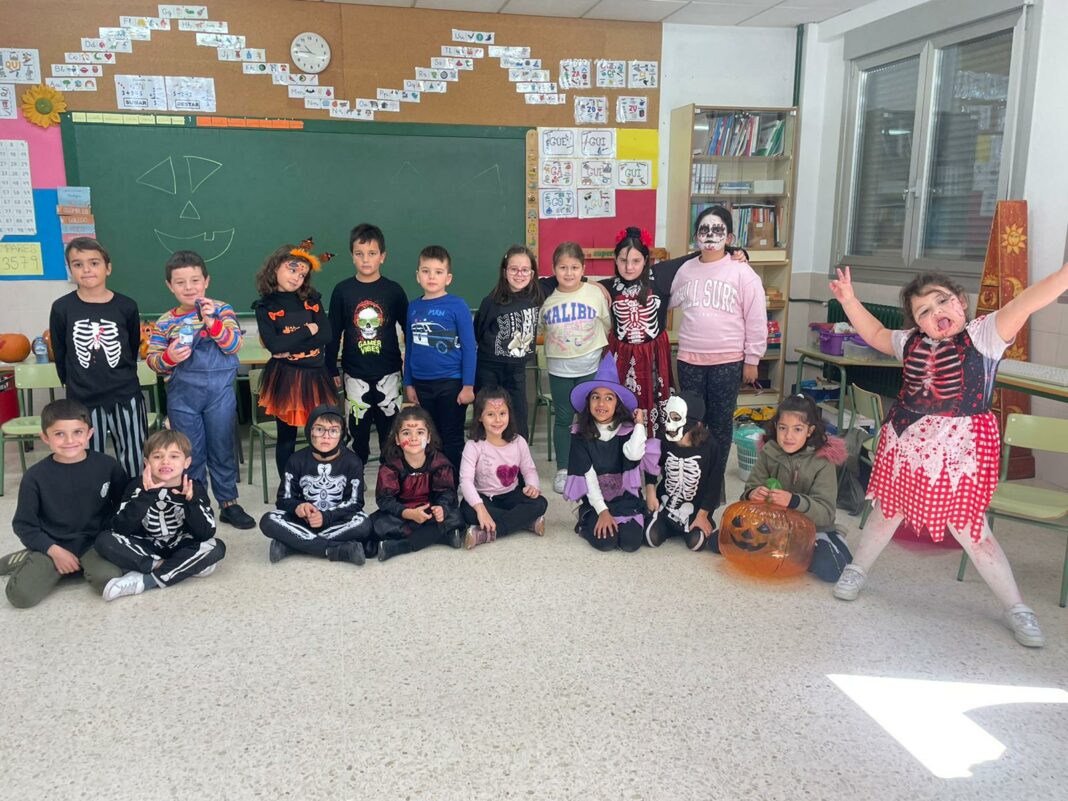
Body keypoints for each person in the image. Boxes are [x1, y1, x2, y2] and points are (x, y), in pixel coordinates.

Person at [829, 264, 1068, 648]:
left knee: (972, 530)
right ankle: (857, 569)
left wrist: (1064, 275)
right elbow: (874, 333)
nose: (936, 311)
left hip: (959, 454)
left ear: (961, 302)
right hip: (907, 444)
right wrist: (849, 300)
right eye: (924, 311)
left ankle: (1017, 607)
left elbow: (1025, 303)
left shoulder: (986, 335)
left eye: (943, 300)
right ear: (917, 324)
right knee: (887, 513)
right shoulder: (910, 342)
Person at [654, 205, 767, 508]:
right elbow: (668, 299)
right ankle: (690, 481)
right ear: (696, 236)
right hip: (690, 359)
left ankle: (714, 485)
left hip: (727, 361)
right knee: (692, 421)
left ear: (729, 237)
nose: (710, 236)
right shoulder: (686, 271)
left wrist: (752, 359)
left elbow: (756, 317)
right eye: (704, 230)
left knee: (720, 423)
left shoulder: (742, 272)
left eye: (718, 231)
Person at [145, 250, 254, 529]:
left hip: (220, 395)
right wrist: (169, 357)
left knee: (222, 449)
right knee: (189, 454)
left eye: (195, 280)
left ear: (206, 281)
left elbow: (233, 345)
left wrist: (212, 322)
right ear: (169, 285)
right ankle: (196, 504)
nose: (189, 287)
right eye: (180, 282)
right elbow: (153, 360)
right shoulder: (165, 321)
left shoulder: (222, 310)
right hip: (183, 397)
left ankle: (228, 503)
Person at [1, 399, 125, 608]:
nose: (69, 440)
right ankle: (30, 556)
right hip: (54, 544)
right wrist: (52, 550)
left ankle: (71, 565)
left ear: (90, 434)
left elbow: (122, 506)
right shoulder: (35, 477)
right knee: (21, 596)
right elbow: (24, 524)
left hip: (94, 544)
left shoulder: (108, 466)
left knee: (109, 578)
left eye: (77, 432)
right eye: (59, 434)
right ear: (45, 437)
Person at [49, 236, 147, 478]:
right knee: (87, 456)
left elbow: (131, 346)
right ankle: (94, 498)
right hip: (83, 397)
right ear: (70, 270)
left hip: (125, 394)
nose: (86, 269)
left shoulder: (126, 306)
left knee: (134, 454)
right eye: (78, 264)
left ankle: (133, 497)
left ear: (108, 268)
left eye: (94, 263)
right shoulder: (62, 308)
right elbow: (60, 351)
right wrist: (73, 385)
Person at [95, 430, 226, 601]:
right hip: (145, 545)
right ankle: (180, 567)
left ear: (187, 462)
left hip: (181, 544)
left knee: (216, 546)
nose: (165, 461)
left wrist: (191, 502)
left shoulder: (194, 488)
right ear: (146, 462)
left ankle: (147, 580)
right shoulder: (135, 486)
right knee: (104, 539)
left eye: (174, 456)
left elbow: (205, 533)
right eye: (157, 456)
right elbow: (120, 528)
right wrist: (145, 496)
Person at [741, 394, 852, 581]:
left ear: (810, 431)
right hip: (775, 526)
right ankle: (794, 552)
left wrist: (793, 501)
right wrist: (753, 493)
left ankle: (830, 543)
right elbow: (749, 489)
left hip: (816, 529)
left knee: (832, 570)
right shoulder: (769, 451)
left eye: (797, 429)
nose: (788, 436)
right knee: (723, 540)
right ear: (776, 427)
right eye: (783, 428)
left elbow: (825, 512)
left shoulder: (823, 461)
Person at [326, 223, 408, 465]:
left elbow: (410, 332)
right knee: (356, 434)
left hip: (389, 373)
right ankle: (355, 478)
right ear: (352, 256)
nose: (365, 259)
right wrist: (331, 369)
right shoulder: (342, 291)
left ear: (382, 256)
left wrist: (411, 369)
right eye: (359, 253)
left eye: (372, 253)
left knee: (391, 436)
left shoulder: (393, 291)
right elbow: (333, 333)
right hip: (355, 375)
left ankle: (390, 479)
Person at [254, 243, 336, 479]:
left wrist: (288, 343)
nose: (296, 278)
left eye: (302, 274)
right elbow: (275, 345)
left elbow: (326, 335)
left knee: (320, 434)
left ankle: (320, 482)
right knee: (287, 438)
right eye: (292, 270)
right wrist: (307, 330)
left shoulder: (311, 299)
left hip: (316, 375)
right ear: (275, 268)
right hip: (286, 379)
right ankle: (288, 486)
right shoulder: (265, 306)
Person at [563, 354, 659, 552]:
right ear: (588, 402)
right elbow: (588, 477)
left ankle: (632, 518)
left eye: (609, 398)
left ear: (617, 404)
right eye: (595, 397)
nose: (601, 404)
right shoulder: (580, 434)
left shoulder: (628, 430)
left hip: (625, 498)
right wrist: (603, 511)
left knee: (630, 543)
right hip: (596, 499)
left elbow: (634, 455)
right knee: (606, 542)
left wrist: (639, 424)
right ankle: (586, 520)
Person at [260, 404, 373, 565]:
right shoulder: (296, 460)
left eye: (333, 431)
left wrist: (326, 517)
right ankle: (335, 550)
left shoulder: (353, 462)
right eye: (319, 429)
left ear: (342, 434)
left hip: (336, 520)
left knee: (364, 524)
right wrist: (298, 507)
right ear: (309, 431)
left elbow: (355, 503)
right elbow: (283, 500)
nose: (326, 436)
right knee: (268, 520)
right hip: (303, 521)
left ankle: (292, 545)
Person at [540, 242, 611, 494]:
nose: (568, 273)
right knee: (563, 418)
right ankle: (563, 469)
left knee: (589, 418)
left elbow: (606, 324)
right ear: (553, 269)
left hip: (589, 367)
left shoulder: (594, 294)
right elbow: (540, 328)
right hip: (559, 368)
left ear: (583, 268)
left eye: (574, 267)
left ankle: (590, 466)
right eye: (562, 267)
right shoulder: (546, 297)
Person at [402, 245, 476, 479]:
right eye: (426, 271)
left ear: (448, 278)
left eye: (438, 272)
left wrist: (468, 385)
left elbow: (469, 348)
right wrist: (408, 384)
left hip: (451, 383)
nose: (431, 277)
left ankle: (452, 484)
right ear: (418, 276)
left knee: (451, 436)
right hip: (421, 384)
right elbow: (410, 346)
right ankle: (434, 480)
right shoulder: (413, 307)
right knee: (429, 436)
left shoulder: (458, 305)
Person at [602, 227, 672, 438]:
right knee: (620, 401)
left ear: (646, 260)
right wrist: (594, 283)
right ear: (615, 260)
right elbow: (575, 281)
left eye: (636, 261)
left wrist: (732, 250)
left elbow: (694, 258)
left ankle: (653, 449)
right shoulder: (608, 286)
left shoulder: (660, 279)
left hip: (653, 355)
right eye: (623, 260)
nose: (629, 267)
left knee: (655, 400)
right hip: (621, 356)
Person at [459, 388, 547, 549]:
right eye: (490, 414)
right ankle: (526, 522)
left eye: (502, 413)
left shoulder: (518, 441)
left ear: (509, 414)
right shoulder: (473, 446)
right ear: (479, 417)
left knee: (540, 503)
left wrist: (532, 486)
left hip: (511, 495)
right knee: (467, 511)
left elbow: (529, 470)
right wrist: (481, 509)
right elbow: (465, 481)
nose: (498, 420)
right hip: (484, 497)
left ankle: (488, 533)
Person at [372, 406, 463, 561]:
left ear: (428, 437)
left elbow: (447, 493)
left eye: (420, 432)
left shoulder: (439, 463)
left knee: (457, 516)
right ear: (397, 439)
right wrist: (408, 513)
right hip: (402, 513)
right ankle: (442, 536)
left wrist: (441, 508)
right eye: (406, 433)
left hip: (430, 512)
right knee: (378, 526)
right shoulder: (391, 467)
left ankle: (402, 546)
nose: (413, 438)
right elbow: (385, 500)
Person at [472, 245, 543, 439]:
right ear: (504, 272)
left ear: (532, 273)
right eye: (513, 269)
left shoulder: (537, 294)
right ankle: (485, 456)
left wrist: (594, 283)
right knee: (488, 416)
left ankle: (518, 458)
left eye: (525, 270)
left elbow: (565, 280)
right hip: (489, 369)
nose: (519, 274)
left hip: (517, 370)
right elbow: (477, 332)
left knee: (518, 419)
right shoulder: (491, 301)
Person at [644, 391, 719, 552]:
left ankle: (696, 522)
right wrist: (650, 491)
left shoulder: (710, 446)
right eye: (667, 417)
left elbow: (715, 484)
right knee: (651, 537)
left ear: (695, 423)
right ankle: (665, 524)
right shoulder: (664, 439)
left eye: (676, 418)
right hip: (665, 505)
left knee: (696, 543)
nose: (669, 424)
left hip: (694, 510)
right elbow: (651, 465)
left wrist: (703, 515)